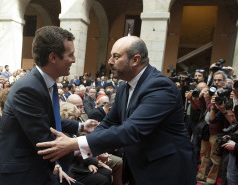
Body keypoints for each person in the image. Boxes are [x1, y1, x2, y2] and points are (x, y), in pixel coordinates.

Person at [37, 36, 196, 185]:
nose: (110, 61)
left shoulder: (159, 87)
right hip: (140, 167)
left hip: (166, 170)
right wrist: (82, 148)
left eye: (116, 56)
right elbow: (109, 122)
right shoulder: (124, 87)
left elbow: (131, 130)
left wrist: (74, 143)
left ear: (135, 60)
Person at [0, 26, 97, 185]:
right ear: (53, 57)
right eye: (70, 54)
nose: (74, 59)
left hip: (37, 167)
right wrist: (87, 148)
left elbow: (48, 121)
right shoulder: (28, 89)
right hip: (17, 175)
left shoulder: (44, 83)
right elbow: (46, 142)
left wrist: (81, 127)